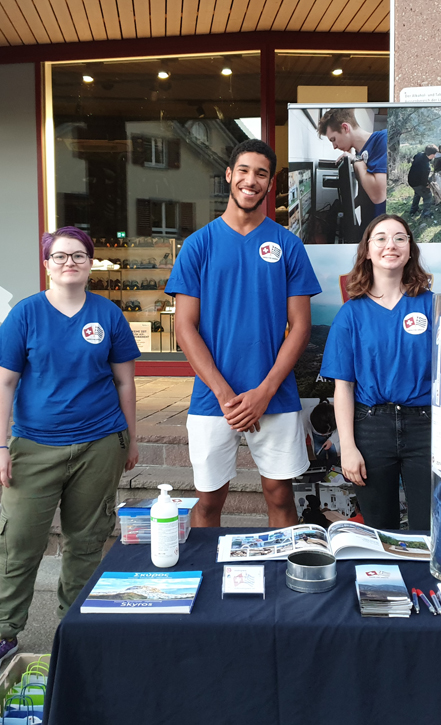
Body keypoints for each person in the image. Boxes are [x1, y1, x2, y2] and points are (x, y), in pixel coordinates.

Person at [0, 226, 140, 678]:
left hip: (100, 442)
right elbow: (3, 384)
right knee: (17, 542)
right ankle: (4, 632)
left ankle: (75, 628)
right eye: (61, 256)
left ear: (90, 264)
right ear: (46, 263)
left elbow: (125, 381)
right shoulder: (25, 315)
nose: (70, 263)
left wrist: (130, 438)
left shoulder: (109, 315)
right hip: (35, 446)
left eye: (80, 255)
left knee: (86, 542)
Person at [167, 139, 322, 528]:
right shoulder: (198, 245)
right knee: (208, 501)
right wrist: (225, 394)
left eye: (262, 174)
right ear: (229, 175)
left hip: (275, 393)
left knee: (281, 496)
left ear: (270, 184)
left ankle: (282, 582)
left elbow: (300, 327)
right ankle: (212, 579)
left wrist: (264, 392)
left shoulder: (288, 245)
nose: (251, 181)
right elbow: (183, 327)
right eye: (244, 171)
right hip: (213, 396)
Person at [321, 214, 434, 531]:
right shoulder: (351, 313)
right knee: (378, 532)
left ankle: (422, 584)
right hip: (371, 428)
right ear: (367, 251)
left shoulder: (432, 306)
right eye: (381, 238)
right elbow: (343, 388)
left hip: (426, 427)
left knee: (429, 531)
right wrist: (348, 447)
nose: (391, 245)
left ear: (410, 251)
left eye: (400, 238)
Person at [317, 108, 388, 219]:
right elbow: (364, 196)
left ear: (346, 128)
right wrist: (342, 209)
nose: (334, 146)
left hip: (382, 227)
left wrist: (356, 160)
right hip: (369, 226)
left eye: (333, 139)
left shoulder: (383, 139)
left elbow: (378, 196)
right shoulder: (360, 153)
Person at [408, 144, 438, 219]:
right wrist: (427, 185)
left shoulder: (419, 154)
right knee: (428, 196)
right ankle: (426, 214)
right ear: (431, 154)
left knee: (418, 193)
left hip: (411, 180)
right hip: (417, 183)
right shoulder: (426, 166)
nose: (434, 156)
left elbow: (414, 157)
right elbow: (423, 180)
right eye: (434, 155)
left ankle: (413, 210)